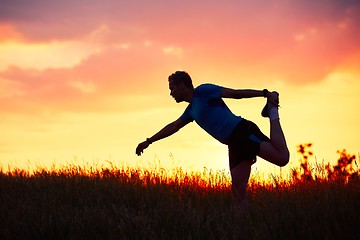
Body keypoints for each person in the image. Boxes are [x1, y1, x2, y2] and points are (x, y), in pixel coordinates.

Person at [135, 71, 289, 211]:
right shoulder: (191, 111)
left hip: (242, 132)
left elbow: (235, 94)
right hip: (234, 144)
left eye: (172, 88)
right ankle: (243, 229)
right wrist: (149, 141)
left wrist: (264, 94)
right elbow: (173, 126)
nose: (171, 93)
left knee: (282, 158)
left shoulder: (203, 91)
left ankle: (272, 109)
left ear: (182, 85)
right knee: (238, 194)